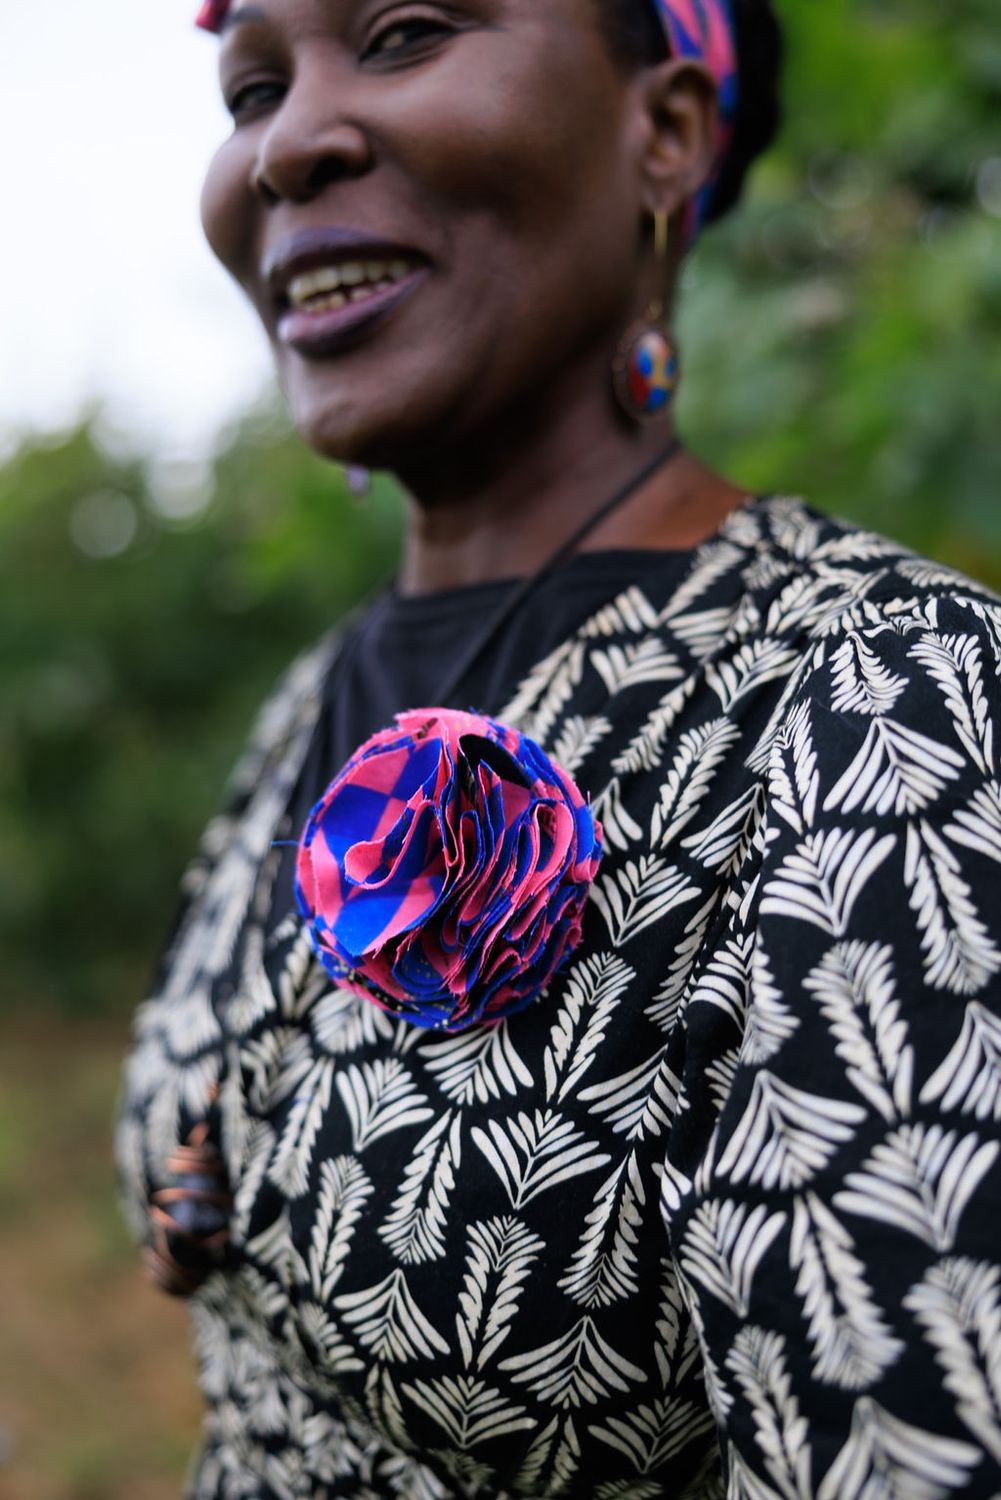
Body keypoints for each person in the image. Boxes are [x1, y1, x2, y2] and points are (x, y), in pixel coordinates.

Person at [116, 0, 1001, 1495]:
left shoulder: (878, 702)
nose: (287, 145)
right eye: (249, 85)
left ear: (661, 130)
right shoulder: (307, 703)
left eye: (399, 32)